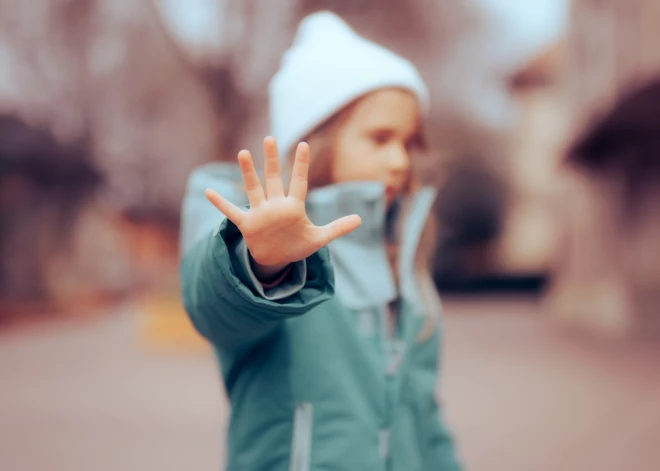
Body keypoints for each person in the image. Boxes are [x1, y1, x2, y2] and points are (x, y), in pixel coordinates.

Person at [180, 11, 462, 471]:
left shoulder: (402, 253)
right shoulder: (244, 220)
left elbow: (426, 417)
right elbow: (212, 309)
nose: (399, 160)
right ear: (318, 139)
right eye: (380, 137)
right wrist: (261, 264)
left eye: (409, 143)